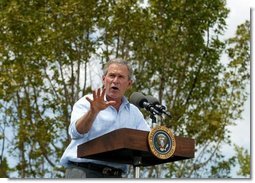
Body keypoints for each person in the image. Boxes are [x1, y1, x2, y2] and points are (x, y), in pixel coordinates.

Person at [60, 58, 151, 178]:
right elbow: (76, 132)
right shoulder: (87, 102)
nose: (115, 81)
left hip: (116, 176)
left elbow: (147, 141)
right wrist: (93, 112)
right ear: (104, 79)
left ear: (129, 84)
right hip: (83, 171)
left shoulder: (134, 113)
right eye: (112, 75)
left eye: (120, 77)